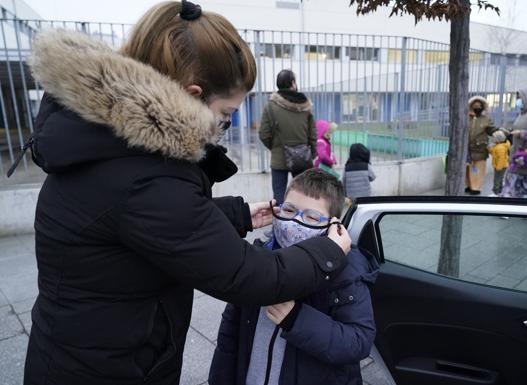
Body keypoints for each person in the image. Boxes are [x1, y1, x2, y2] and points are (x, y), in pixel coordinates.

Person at [22, 2, 351, 385]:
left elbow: (147, 226)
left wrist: (237, 214)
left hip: (85, 353)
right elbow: (248, 275)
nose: (224, 127)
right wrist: (328, 252)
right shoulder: (144, 173)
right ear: (192, 95)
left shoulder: (109, 139)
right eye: (226, 115)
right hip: (104, 370)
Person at [209, 169, 378, 385]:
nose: (295, 222)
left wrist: (297, 320)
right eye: (289, 210)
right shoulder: (259, 260)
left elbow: (358, 341)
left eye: (310, 216)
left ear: (332, 225)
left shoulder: (346, 271)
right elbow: (230, 333)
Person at [260, 69, 316, 204]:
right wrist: (311, 154)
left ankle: (279, 224)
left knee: (278, 197)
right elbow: (313, 135)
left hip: (279, 159)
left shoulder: (271, 106)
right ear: (293, 83)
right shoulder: (305, 106)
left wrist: (275, 148)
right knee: (304, 195)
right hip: (302, 159)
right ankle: (303, 223)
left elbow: (264, 134)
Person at [466, 96, 498, 195]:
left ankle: (476, 188)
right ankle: (468, 185)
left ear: (483, 107)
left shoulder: (486, 119)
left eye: (479, 106)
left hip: (480, 149)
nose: (477, 108)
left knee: (478, 169)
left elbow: (492, 130)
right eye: (475, 106)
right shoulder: (466, 117)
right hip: (467, 149)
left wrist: (499, 133)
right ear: (471, 106)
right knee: (467, 169)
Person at [488, 130, 511, 196]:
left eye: (494, 138)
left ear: (498, 139)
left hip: (500, 166)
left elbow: (501, 158)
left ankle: (496, 191)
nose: (493, 139)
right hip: (501, 165)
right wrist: (490, 149)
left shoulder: (500, 148)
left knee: (497, 179)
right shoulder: (500, 146)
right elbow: (495, 154)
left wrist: (499, 167)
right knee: (500, 178)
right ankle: (500, 190)